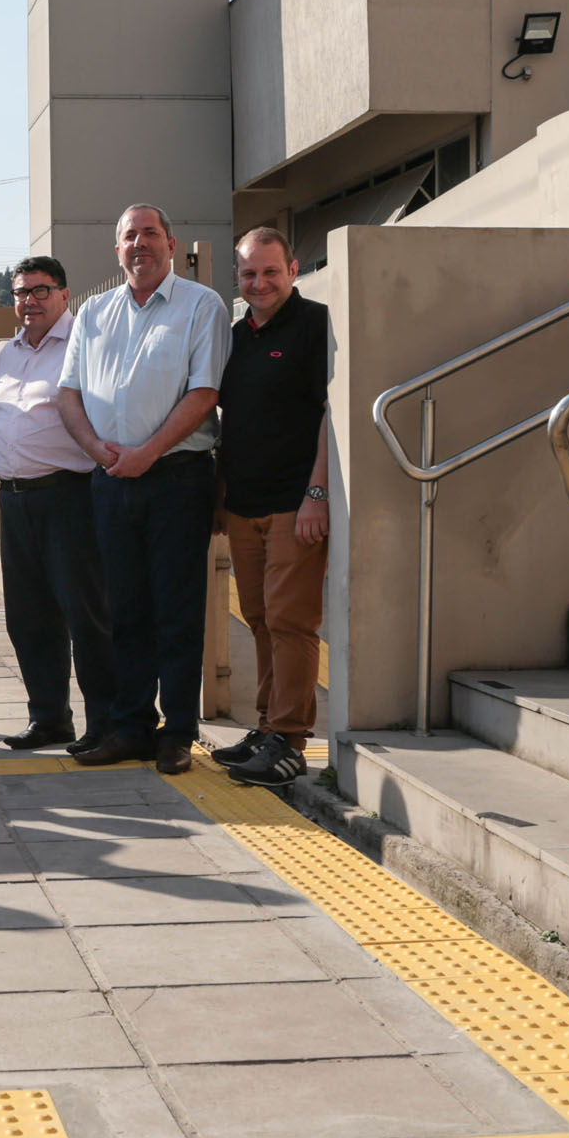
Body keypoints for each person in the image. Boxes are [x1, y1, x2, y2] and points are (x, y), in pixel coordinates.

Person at [55, 204, 231, 773]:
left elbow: (204, 393)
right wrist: (97, 450)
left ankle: (177, 731)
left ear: (171, 244)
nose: (140, 243)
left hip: (177, 478)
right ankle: (131, 726)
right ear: (117, 249)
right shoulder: (93, 312)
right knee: (123, 610)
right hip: (110, 479)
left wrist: (147, 452)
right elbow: (68, 393)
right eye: (129, 235)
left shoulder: (202, 305)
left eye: (150, 233)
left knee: (176, 610)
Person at [212, 227, 330, 789]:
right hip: (244, 503)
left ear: (294, 269)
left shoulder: (317, 325)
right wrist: (221, 498)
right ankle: (266, 728)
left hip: (294, 504)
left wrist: (316, 495)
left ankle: (290, 739)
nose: (259, 283)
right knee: (260, 620)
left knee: (290, 622)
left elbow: (332, 415)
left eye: (270, 272)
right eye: (249, 274)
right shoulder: (236, 337)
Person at [0, 256, 118, 751]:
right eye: (22, 292)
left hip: (68, 496)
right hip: (14, 499)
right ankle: (49, 717)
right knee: (28, 617)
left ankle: (104, 721)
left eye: (41, 290)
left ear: (65, 294)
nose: (30, 301)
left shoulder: (84, 342)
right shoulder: (7, 352)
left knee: (86, 616)